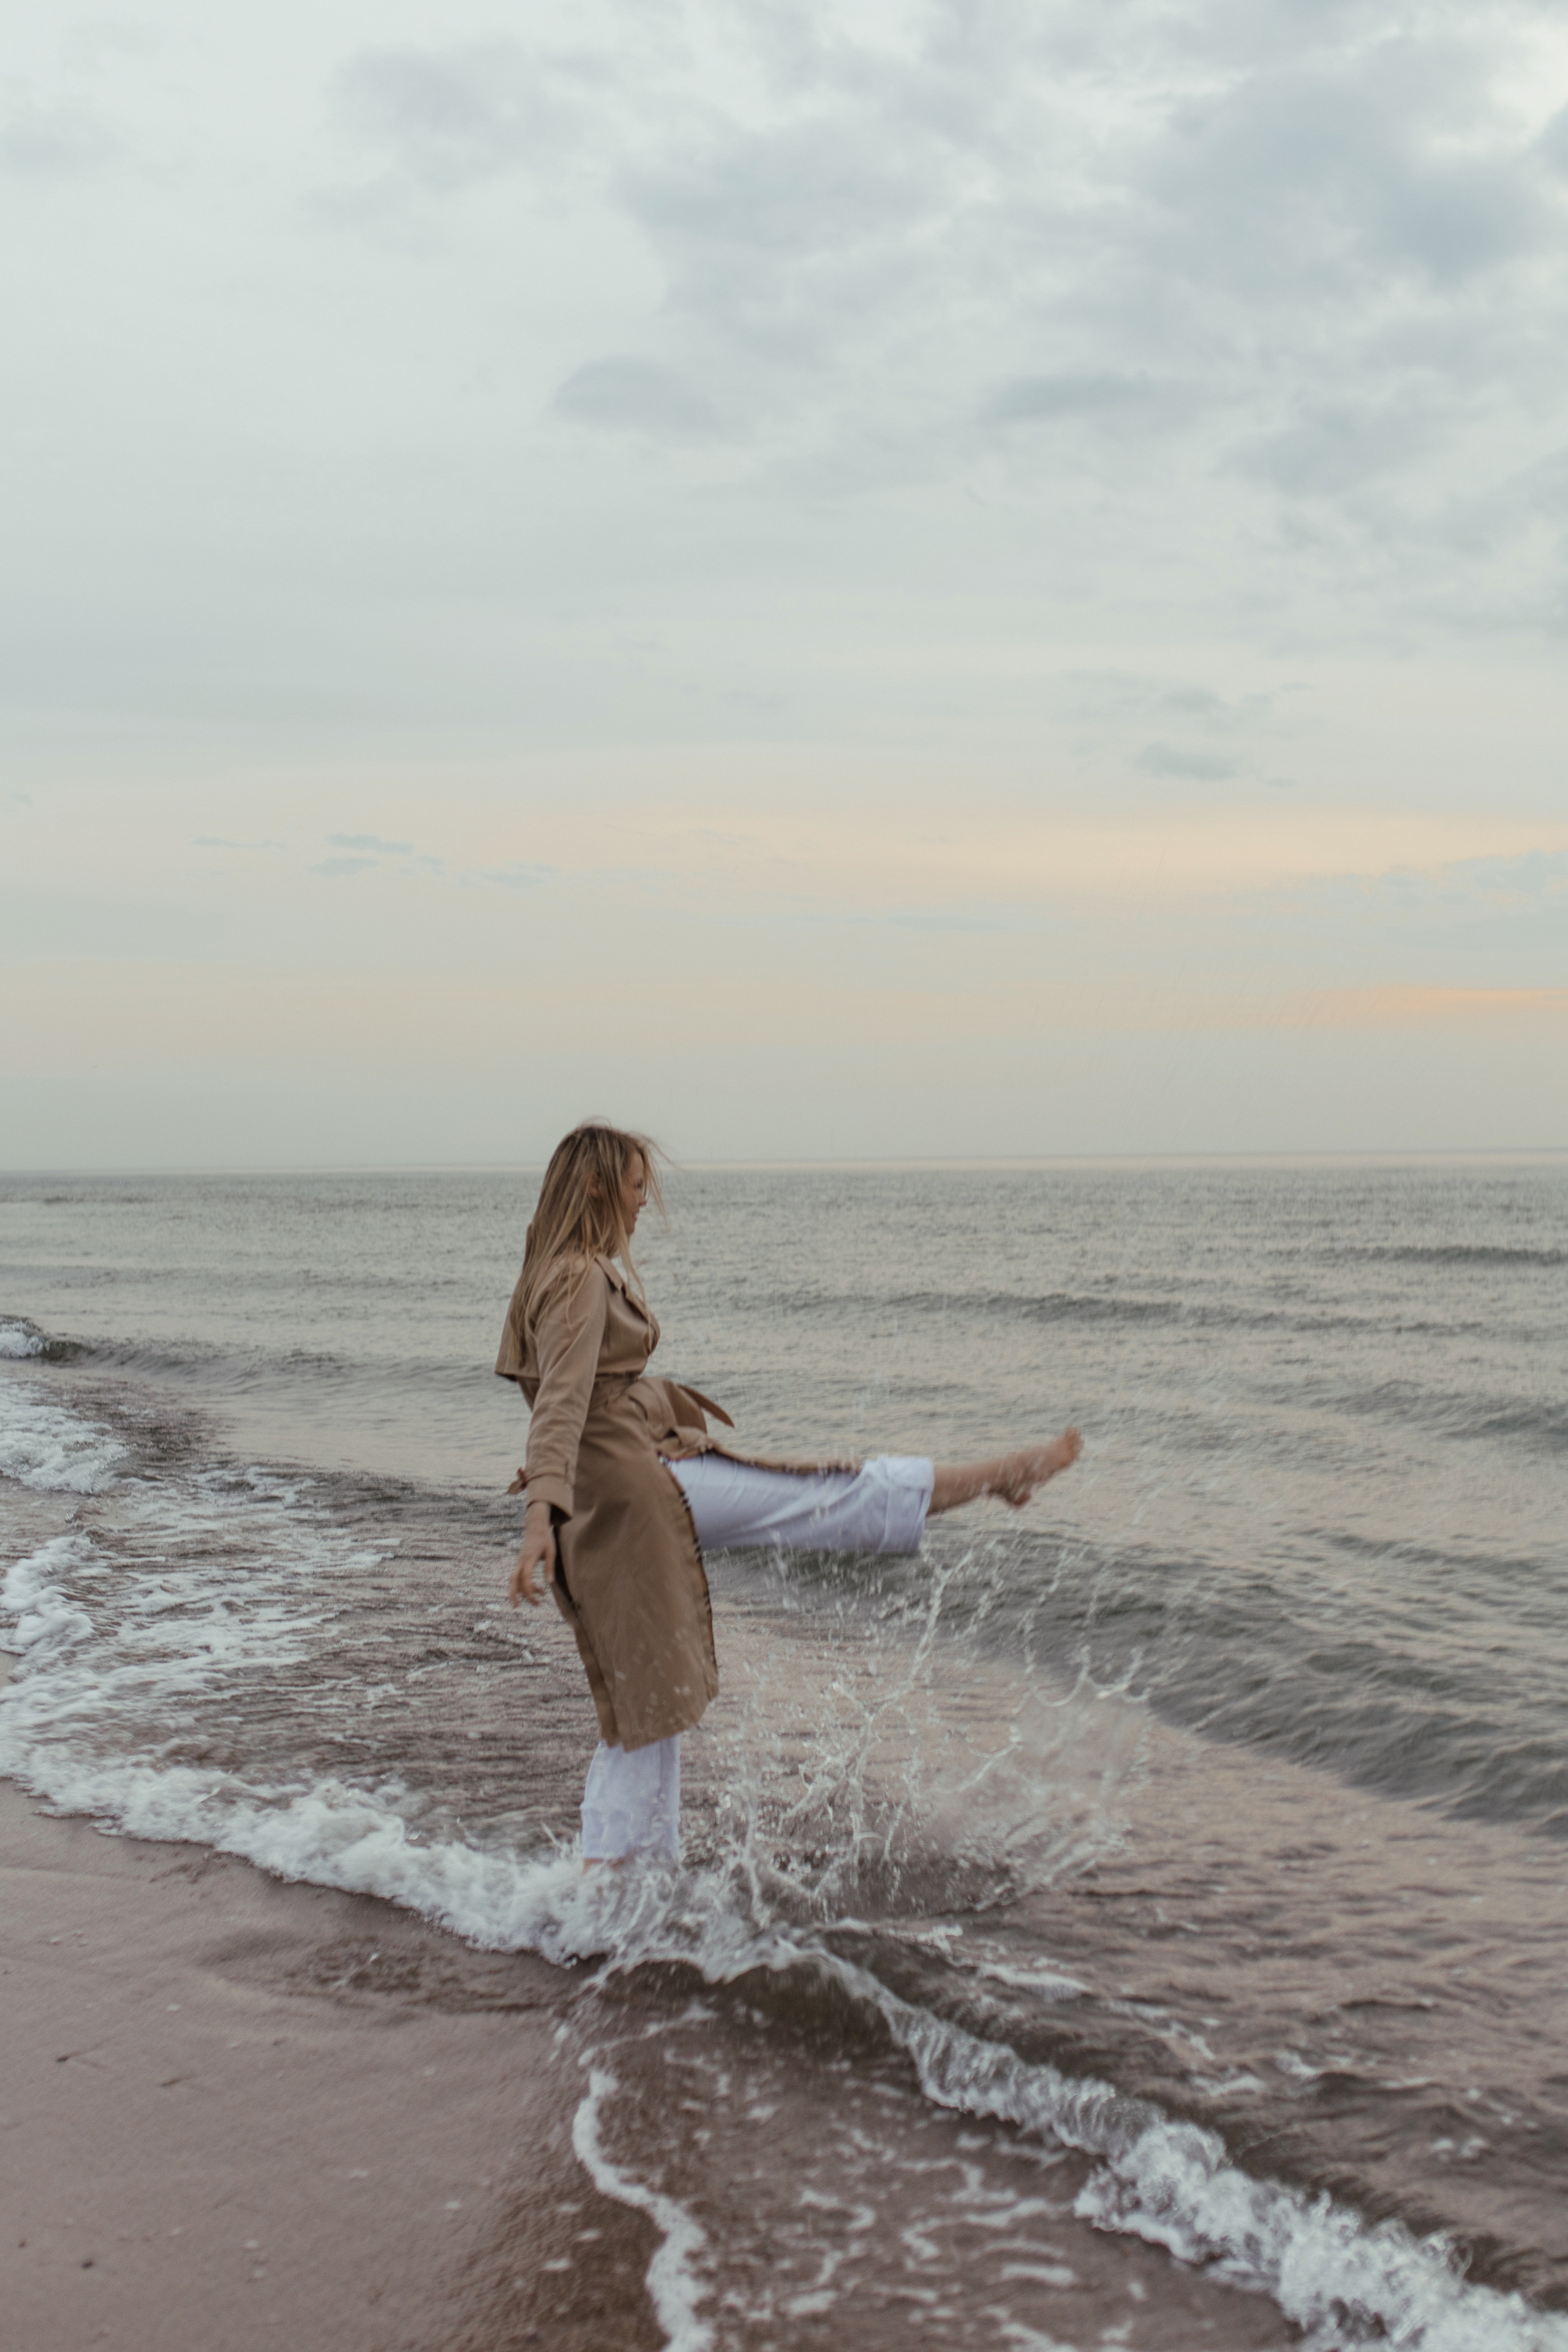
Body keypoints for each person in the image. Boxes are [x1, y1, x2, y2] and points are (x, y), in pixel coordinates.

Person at [497, 1122, 1081, 1866]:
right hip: (630, 1488)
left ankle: (614, 1900)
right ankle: (1001, 1476)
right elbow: (562, 1406)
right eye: (638, 1186)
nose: (644, 1204)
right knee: (829, 1499)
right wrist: (537, 1520)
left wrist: (553, 1511)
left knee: (642, 1710)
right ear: (596, 1186)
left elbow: (561, 1403)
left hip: (617, 1484)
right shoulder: (578, 1277)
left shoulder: (544, 1273)